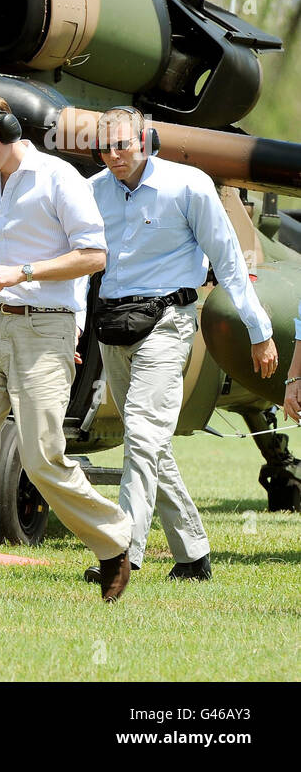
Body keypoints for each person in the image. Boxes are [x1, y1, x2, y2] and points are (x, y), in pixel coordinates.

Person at [0, 95, 133, 602]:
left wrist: (23, 271)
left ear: (6, 130)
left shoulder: (57, 177)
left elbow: (94, 256)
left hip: (45, 327)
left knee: (42, 457)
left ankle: (113, 538)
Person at [88, 106, 277, 582]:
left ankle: (122, 557)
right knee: (151, 443)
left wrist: (259, 331)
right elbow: (82, 262)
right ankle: (193, 556)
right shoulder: (91, 192)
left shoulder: (189, 185)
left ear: (145, 140)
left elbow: (229, 260)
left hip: (168, 323)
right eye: (105, 146)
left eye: (122, 144)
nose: (113, 155)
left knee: (142, 436)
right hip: (113, 326)